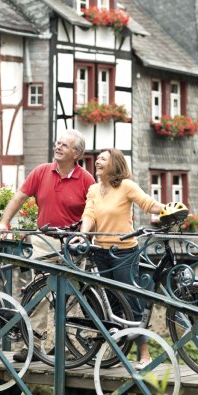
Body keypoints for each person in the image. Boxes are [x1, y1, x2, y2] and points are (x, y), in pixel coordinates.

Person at [0, 129, 95, 362]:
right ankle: (33, 344)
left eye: (65, 145)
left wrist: (86, 237)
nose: (58, 147)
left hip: (72, 243)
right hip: (44, 240)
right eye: (58, 143)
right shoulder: (41, 172)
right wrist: (3, 222)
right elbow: (19, 196)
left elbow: (94, 210)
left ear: (76, 153)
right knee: (38, 292)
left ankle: (68, 345)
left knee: (71, 296)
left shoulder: (86, 179)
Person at [76, 148, 165, 370]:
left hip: (124, 252)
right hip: (101, 251)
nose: (97, 162)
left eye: (103, 159)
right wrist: (82, 235)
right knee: (110, 302)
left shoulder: (126, 186)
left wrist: (168, 210)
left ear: (114, 164)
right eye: (97, 159)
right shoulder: (94, 189)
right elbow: (89, 214)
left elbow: (147, 203)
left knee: (130, 298)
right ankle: (116, 352)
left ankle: (144, 355)